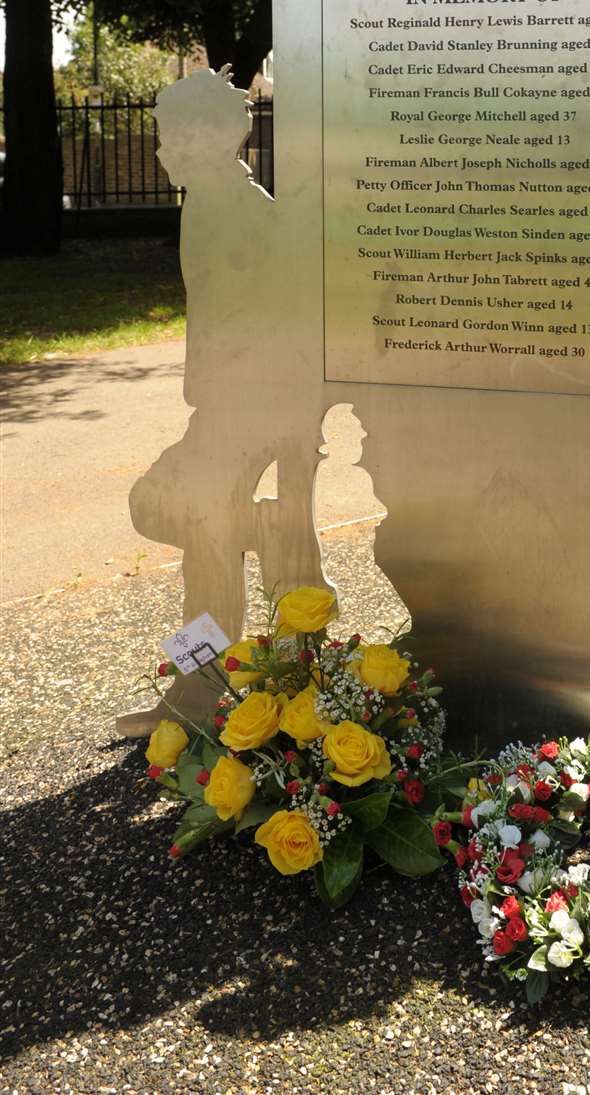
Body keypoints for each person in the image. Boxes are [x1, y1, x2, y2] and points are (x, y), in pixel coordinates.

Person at [120, 68, 330, 731]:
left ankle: (214, 689)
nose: (162, 152)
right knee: (188, 533)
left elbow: (281, 321)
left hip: (250, 413)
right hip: (224, 413)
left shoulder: (242, 212)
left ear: (213, 137)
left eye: (173, 138)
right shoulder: (210, 204)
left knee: (204, 543)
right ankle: (208, 680)